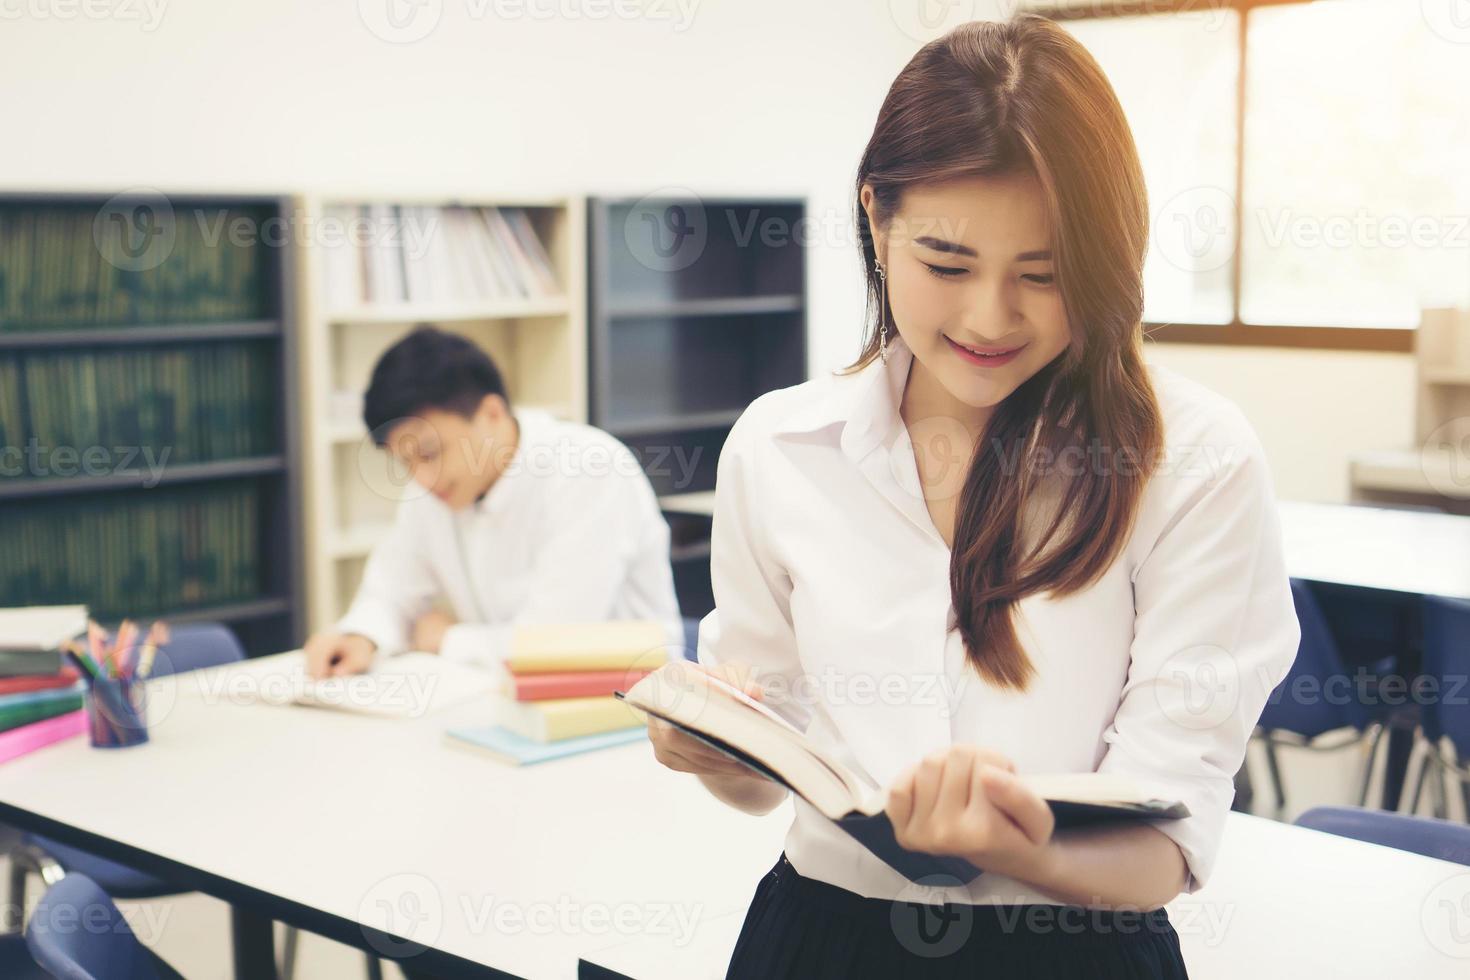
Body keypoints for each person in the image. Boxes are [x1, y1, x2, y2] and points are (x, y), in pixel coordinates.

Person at [646, 15, 1300, 979]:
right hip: (820, 940)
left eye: (1044, 275)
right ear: (876, 217)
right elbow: (771, 776)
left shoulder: (1192, 461)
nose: (990, 318)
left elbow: (1166, 845)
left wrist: (1008, 841)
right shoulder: (782, 447)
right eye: (946, 264)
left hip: (1074, 952)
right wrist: (715, 753)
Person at [303, 326, 682, 677]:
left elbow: (555, 644)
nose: (420, 477)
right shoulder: (431, 488)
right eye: (405, 462)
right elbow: (393, 586)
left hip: (626, 710)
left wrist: (448, 639)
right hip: (502, 701)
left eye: (431, 452)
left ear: (492, 414)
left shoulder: (589, 469)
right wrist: (360, 636)